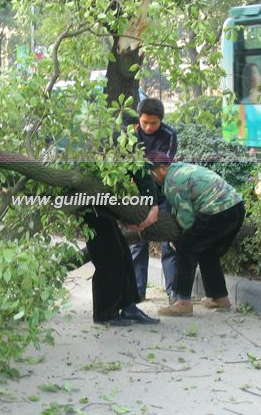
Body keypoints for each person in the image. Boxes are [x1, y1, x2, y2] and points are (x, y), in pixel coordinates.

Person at [145, 151, 245, 317]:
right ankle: (220, 298)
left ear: (162, 168)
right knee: (207, 251)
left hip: (218, 210)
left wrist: (178, 240)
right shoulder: (179, 168)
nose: (151, 178)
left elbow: (187, 219)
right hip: (236, 207)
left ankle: (182, 302)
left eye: (151, 173)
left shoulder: (171, 183)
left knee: (187, 247)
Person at [124, 98, 178, 303]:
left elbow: (158, 167)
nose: (148, 127)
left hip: (163, 193)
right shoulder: (130, 132)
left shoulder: (169, 135)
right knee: (138, 241)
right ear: (139, 118)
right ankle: (138, 290)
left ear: (161, 121)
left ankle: (173, 290)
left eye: (153, 123)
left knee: (168, 241)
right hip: (139, 196)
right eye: (145, 122)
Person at [82, 206, 161, 326]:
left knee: (124, 256)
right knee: (108, 259)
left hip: (104, 210)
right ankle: (104, 313)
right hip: (93, 209)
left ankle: (128, 306)